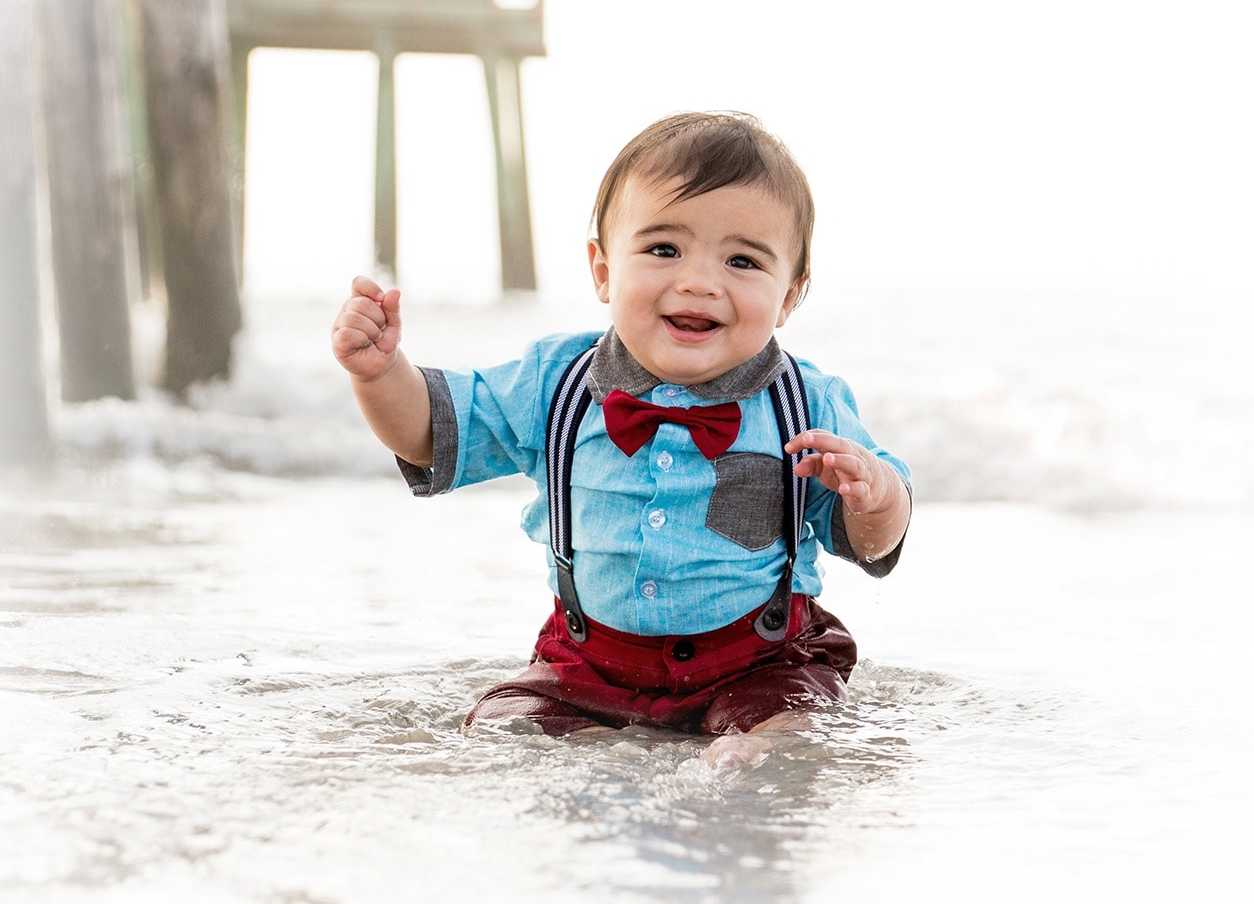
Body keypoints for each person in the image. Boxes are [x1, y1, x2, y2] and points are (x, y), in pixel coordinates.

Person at [331, 111, 910, 766]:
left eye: (742, 260)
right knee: (502, 725)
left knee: (791, 729)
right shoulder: (557, 381)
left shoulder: (807, 403)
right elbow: (433, 433)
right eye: (663, 249)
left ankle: (752, 759)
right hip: (589, 665)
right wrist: (381, 374)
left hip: (758, 661)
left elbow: (871, 541)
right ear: (602, 270)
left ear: (788, 297)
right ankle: (606, 753)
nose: (698, 280)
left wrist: (875, 498)